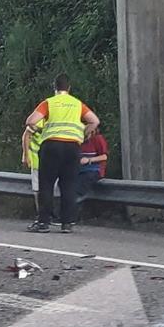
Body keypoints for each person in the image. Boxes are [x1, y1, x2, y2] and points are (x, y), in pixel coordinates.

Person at [24, 74, 99, 233]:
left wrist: (41, 129)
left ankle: (43, 222)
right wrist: (82, 133)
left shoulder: (49, 103)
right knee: (69, 185)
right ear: (69, 88)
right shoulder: (77, 104)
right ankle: (67, 223)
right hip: (73, 147)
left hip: (51, 146)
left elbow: (30, 121)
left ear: (55, 88)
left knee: (46, 184)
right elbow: (94, 121)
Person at [72, 126, 109, 219]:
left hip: (93, 170)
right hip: (78, 170)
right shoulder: (76, 141)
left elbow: (104, 157)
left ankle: (71, 216)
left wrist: (89, 160)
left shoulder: (97, 139)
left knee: (79, 187)